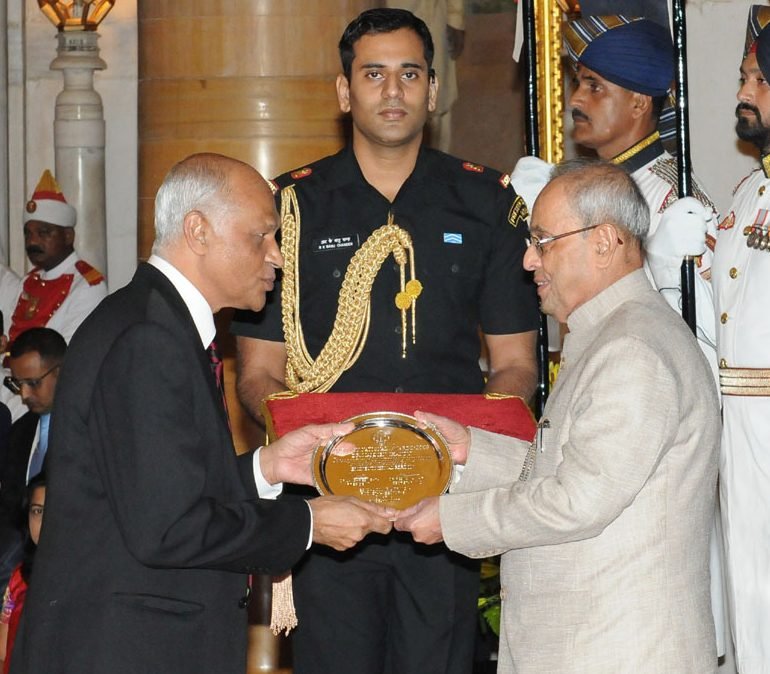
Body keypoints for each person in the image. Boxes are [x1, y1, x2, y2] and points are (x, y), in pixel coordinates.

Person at [230, 8, 539, 674]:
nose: (392, 92)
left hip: (444, 512)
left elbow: (516, 367)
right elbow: (257, 374)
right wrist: (320, 455)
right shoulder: (289, 209)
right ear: (345, 92)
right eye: (373, 74)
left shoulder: (487, 204)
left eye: (409, 74)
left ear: (432, 90)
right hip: (329, 511)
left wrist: (460, 453)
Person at [8, 153, 395, 674]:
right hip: (125, 648)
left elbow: (157, 491)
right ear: (198, 231)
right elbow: (169, 527)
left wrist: (266, 468)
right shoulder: (149, 336)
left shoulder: (155, 321)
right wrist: (307, 522)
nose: (277, 256)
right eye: (261, 236)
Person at [396, 159, 720, 673]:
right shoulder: (614, 332)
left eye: (543, 241)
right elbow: (576, 468)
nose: (528, 261)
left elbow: (578, 501)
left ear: (604, 242)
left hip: (617, 650)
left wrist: (451, 520)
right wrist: (470, 451)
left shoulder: (633, 349)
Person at [562, 15, 719, 358]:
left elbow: (706, 330)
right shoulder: (587, 190)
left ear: (638, 103)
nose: (575, 101)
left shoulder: (673, 198)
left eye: (594, 86)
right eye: (578, 85)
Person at [0, 170, 106, 421]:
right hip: (12, 384)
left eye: (44, 232)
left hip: (44, 394)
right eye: (28, 233)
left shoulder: (88, 285)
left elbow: (64, 358)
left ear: (68, 236)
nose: (33, 241)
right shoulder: (29, 280)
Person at [0, 328, 65, 596]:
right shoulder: (22, 430)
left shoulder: (89, 432)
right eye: (17, 384)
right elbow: (9, 507)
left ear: (62, 372)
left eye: (33, 383)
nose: (24, 394)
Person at [383, 0, 464, 151]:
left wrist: (455, 17)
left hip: (430, 17)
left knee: (435, 108)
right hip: (377, 21)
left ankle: (434, 170)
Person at [0, 474, 45, 674]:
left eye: (52, 511)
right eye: (37, 511)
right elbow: (2, 648)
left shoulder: (82, 578)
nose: (45, 522)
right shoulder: (19, 576)